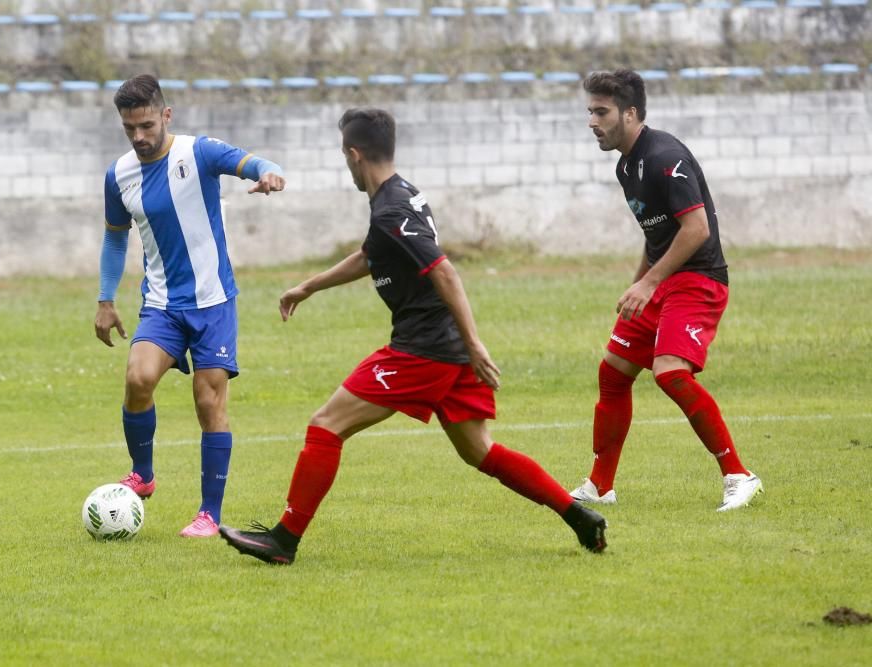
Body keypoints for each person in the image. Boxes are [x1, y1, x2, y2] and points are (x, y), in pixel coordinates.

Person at [218, 108, 607, 565]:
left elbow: (443, 270)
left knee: (325, 426)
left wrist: (475, 342)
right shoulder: (401, 194)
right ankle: (579, 515)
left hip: (424, 349)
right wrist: (309, 286)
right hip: (447, 348)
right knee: (479, 451)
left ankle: (284, 539)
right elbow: (371, 256)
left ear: (354, 153)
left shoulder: (392, 207)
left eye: (345, 156)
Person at [95, 74, 286, 537]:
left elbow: (249, 160)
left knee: (208, 402)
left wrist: (267, 172)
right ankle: (143, 475)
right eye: (129, 129)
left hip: (213, 302)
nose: (139, 137)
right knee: (138, 378)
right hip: (161, 303)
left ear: (166, 116)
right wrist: (105, 298)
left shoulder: (198, 152)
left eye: (146, 125)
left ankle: (209, 514)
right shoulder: (119, 175)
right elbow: (115, 239)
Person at [571, 69, 762, 511]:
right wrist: (640, 283)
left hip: (699, 280)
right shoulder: (626, 165)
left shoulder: (664, 156)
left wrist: (650, 281)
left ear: (631, 113)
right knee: (614, 370)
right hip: (663, 281)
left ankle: (739, 474)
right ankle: (601, 485)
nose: (592, 122)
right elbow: (655, 235)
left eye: (601, 112)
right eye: (590, 111)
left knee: (671, 373)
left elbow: (695, 229)